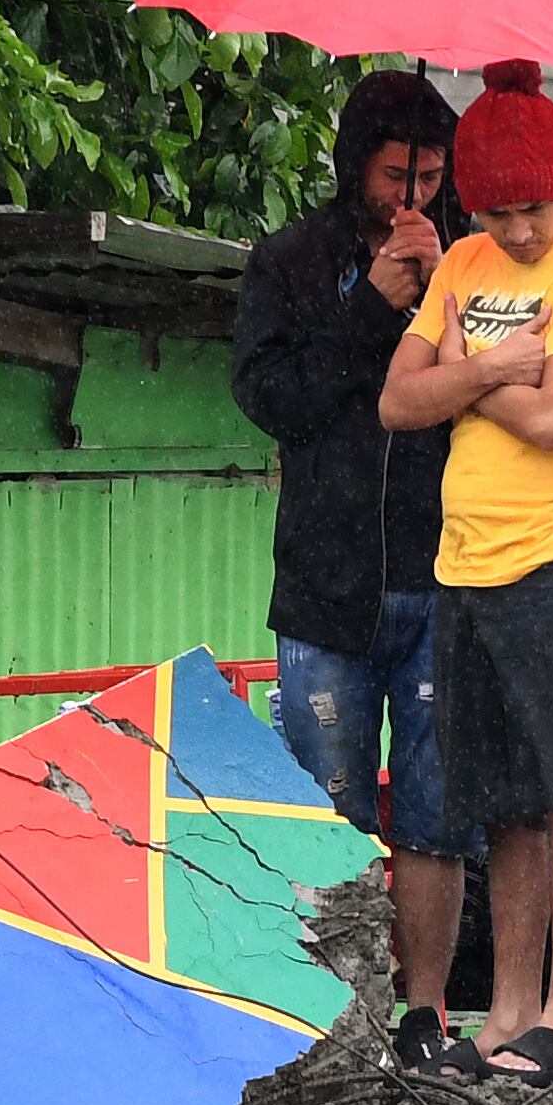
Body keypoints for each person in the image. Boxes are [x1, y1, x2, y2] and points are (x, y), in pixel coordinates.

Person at [380, 59, 553, 1089]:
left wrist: (462, 373)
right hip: (464, 564)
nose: (520, 230)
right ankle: (507, 1016)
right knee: (496, 804)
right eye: (497, 210)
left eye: (534, 206)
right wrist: (496, 364)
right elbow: (398, 401)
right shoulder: (463, 262)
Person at [236, 69, 471, 1033]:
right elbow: (269, 398)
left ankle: (422, 1013)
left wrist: (447, 286)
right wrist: (371, 307)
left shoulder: (477, 263)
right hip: (327, 590)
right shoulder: (291, 260)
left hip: (443, 576)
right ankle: (342, 1017)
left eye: (427, 175)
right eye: (391, 175)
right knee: (330, 818)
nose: (408, 196)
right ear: (352, 167)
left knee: (434, 816)